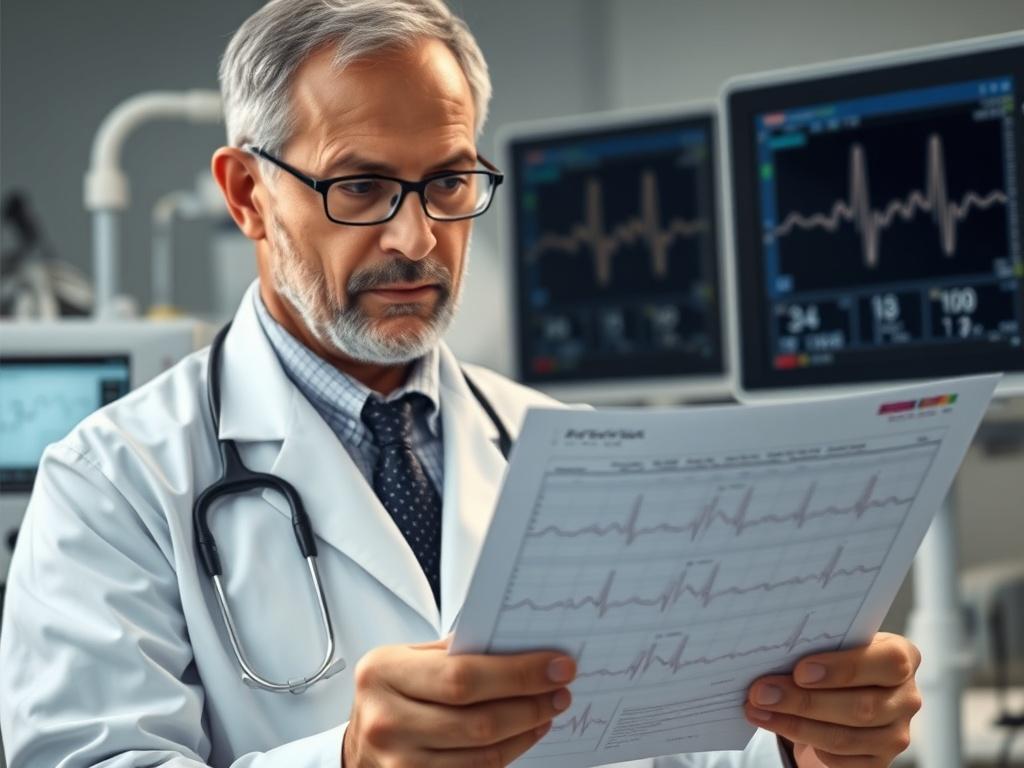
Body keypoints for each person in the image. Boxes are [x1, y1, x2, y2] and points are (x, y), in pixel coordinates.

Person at [0, 1, 922, 766]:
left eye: (448, 183)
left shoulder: (572, 445)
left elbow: (685, 743)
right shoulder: (111, 484)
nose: (416, 239)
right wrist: (348, 760)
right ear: (247, 194)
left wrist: (809, 743)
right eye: (359, 188)